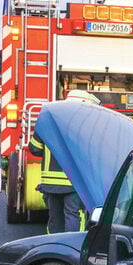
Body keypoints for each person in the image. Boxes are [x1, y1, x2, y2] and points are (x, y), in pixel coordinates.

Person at [28, 90, 101, 233]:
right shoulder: (87, 127)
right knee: (74, 215)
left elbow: (34, 149)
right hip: (74, 183)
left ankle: (54, 249)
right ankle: (73, 250)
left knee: (54, 218)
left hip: (50, 183)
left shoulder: (48, 122)